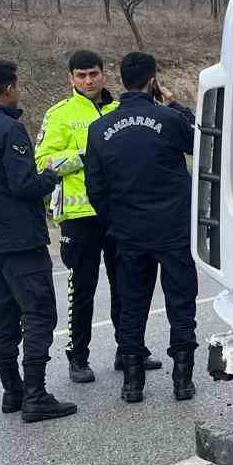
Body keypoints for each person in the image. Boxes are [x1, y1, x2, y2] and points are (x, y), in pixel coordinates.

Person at [0, 59, 77, 423]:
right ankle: (36, 395)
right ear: (9, 88)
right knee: (39, 313)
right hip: (21, 241)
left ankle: (13, 389)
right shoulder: (9, 130)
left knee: (4, 314)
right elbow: (24, 185)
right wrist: (53, 174)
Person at [33, 49, 160, 384]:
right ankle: (78, 356)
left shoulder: (122, 110)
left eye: (93, 74)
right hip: (79, 215)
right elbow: (42, 162)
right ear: (71, 78)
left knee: (127, 286)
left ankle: (129, 350)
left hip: (119, 212)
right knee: (82, 289)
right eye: (80, 75)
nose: (88, 81)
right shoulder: (59, 114)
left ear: (105, 75)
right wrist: (85, 154)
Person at [84, 52, 200, 404]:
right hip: (173, 229)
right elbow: (202, 142)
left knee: (132, 305)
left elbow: (95, 186)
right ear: (153, 81)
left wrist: (113, 221)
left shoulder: (100, 128)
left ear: (120, 80)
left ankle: (132, 383)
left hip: (129, 232)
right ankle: (182, 380)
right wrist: (176, 105)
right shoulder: (168, 119)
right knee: (181, 303)